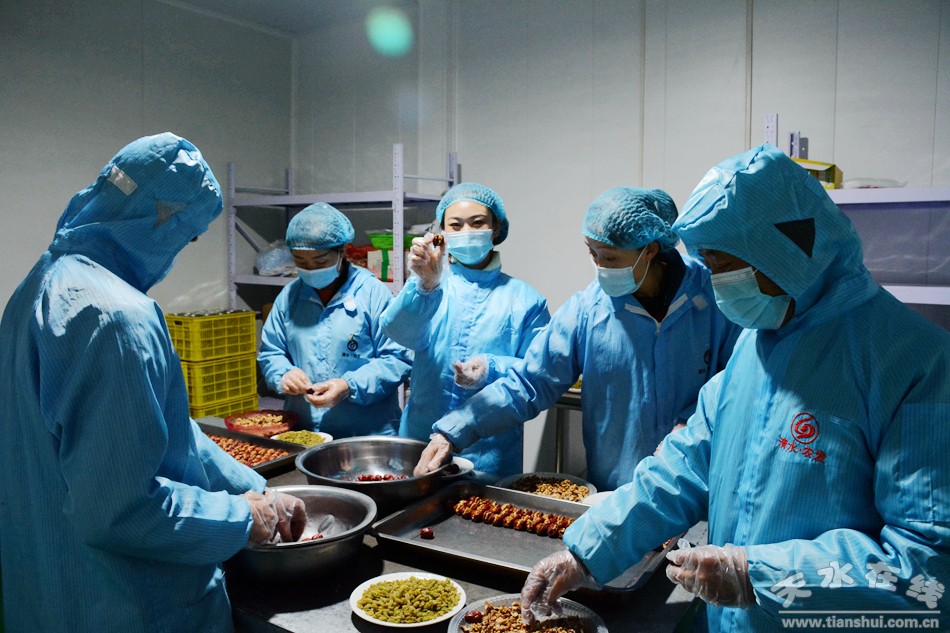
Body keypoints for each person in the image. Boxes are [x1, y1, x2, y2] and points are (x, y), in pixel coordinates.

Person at [520, 145, 950, 632]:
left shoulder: (916, 364)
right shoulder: (757, 344)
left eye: (722, 265)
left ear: (786, 250)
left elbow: (929, 567)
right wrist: (586, 551)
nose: (714, 282)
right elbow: (687, 462)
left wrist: (757, 575)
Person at [0, 133, 306, 633]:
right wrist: (241, 518)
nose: (179, 253)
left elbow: (168, 432)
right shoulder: (116, 317)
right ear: (164, 222)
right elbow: (121, 509)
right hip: (126, 603)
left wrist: (254, 488)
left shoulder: (40, 285)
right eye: (189, 238)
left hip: (46, 584)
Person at [414, 187, 741, 492]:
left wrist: (691, 424)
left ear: (650, 251)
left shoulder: (714, 299)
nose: (599, 266)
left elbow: (738, 382)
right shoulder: (589, 310)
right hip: (615, 489)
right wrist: (453, 431)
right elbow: (530, 382)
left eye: (609, 258)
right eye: (592, 253)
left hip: (698, 482)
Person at [380, 182, 550, 477]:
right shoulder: (430, 285)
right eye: (455, 225)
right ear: (442, 232)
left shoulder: (525, 300)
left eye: (478, 222)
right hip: (420, 440)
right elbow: (400, 333)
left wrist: (490, 368)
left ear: (496, 228)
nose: (466, 231)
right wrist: (425, 287)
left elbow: (539, 374)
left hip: (490, 452)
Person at [258, 203, 412, 437]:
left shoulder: (372, 293)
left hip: (367, 432)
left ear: (343, 252)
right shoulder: (290, 297)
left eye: (320, 262)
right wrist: (284, 374)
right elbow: (271, 352)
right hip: (306, 430)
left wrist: (349, 385)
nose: (311, 269)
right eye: (301, 262)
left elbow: (397, 358)